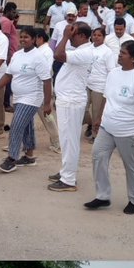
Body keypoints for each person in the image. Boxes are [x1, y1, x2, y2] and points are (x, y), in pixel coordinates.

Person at [87, 41, 134, 215]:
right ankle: (103, 196)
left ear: (133, 58)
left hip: (129, 132)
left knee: (132, 167)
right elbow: (107, 98)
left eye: (123, 53)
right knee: (98, 157)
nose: (119, 55)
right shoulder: (114, 73)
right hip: (107, 128)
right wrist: (99, 118)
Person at [0, 25, 53, 173]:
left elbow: (46, 80)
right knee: (26, 126)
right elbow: (8, 75)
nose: (23, 39)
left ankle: (12, 159)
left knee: (16, 126)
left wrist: (47, 103)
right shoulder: (17, 55)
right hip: (18, 97)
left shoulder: (38, 57)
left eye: (26, 37)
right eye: (21, 37)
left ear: (33, 39)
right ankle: (29, 156)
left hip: (32, 98)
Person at [48, 19, 95, 193]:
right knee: (67, 140)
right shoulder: (80, 50)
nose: (70, 37)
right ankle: (65, 172)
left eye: (73, 34)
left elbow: (58, 55)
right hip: (68, 99)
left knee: (69, 141)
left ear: (82, 36)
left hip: (71, 101)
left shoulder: (85, 53)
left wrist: (65, 36)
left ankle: (68, 179)